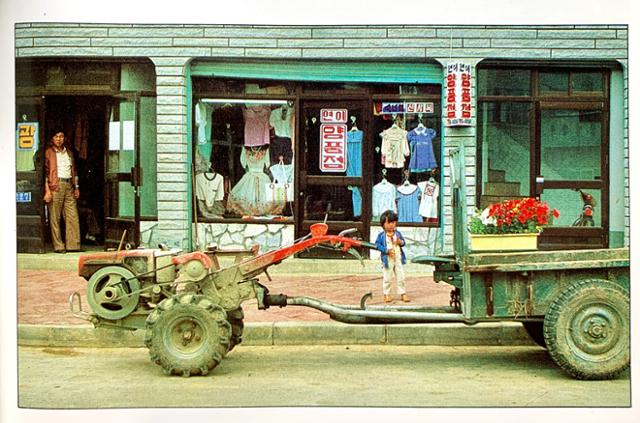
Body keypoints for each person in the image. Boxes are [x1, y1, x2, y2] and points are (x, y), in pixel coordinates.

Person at [43, 129, 81, 253]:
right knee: (55, 217)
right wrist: (47, 191)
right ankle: (58, 246)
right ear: (52, 139)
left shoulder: (68, 153)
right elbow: (45, 173)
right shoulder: (48, 152)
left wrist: (76, 187)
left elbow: (74, 171)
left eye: (61, 136)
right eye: (56, 136)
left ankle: (73, 245)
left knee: (72, 216)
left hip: (69, 185)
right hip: (55, 186)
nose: (59, 139)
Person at [374, 210, 409, 303]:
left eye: (393, 222)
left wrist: (400, 242)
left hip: (398, 258)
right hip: (387, 259)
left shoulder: (397, 234)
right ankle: (386, 293)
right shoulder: (381, 236)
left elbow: (403, 242)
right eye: (389, 223)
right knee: (387, 277)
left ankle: (403, 293)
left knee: (401, 276)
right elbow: (377, 245)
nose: (391, 225)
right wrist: (385, 250)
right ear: (383, 224)